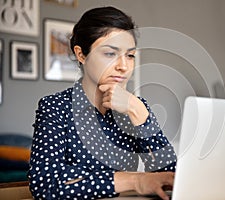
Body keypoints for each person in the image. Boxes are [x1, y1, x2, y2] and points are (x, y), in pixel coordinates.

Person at [28, 6, 177, 200]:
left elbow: (171, 177)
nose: (123, 66)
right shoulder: (55, 107)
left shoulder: (136, 107)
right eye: (110, 53)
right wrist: (135, 180)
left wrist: (140, 114)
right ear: (81, 55)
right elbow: (45, 184)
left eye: (130, 55)